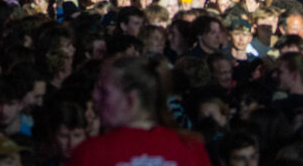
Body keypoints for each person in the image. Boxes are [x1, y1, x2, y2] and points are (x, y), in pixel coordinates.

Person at [68, 55, 211, 166]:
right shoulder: (190, 147)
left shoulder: (92, 153)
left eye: (105, 92)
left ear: (132, 99)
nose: (95, 97)